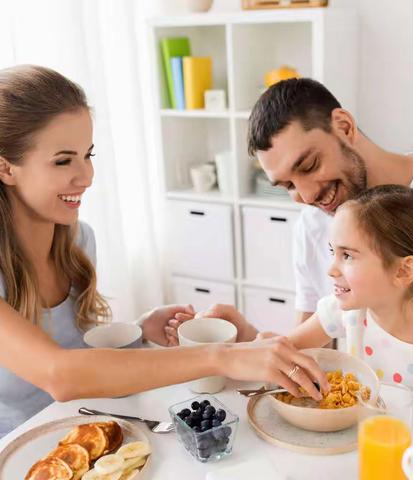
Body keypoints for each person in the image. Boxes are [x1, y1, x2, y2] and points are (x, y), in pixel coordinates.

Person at [0, 65, 328, 438]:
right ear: (6, 167)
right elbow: (60, 374)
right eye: (63, 160)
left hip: (82, 434)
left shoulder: (77, 242)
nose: (86, 176)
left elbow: (79, 356)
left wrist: (138, 333)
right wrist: (225, 356)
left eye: (88, 155)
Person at [167, 78, 413, 407]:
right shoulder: (313, 224)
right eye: (287, 184)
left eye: (308, 165)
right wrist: (247, 339)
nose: (306, 195)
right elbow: (311, 353)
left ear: (344, 127)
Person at [168, 185, 413, 395]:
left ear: (404, 270)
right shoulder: (345, 311)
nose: (331, 269)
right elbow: (283, 351)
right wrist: (240, 337)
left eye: (348, 256)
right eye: (333, 252)